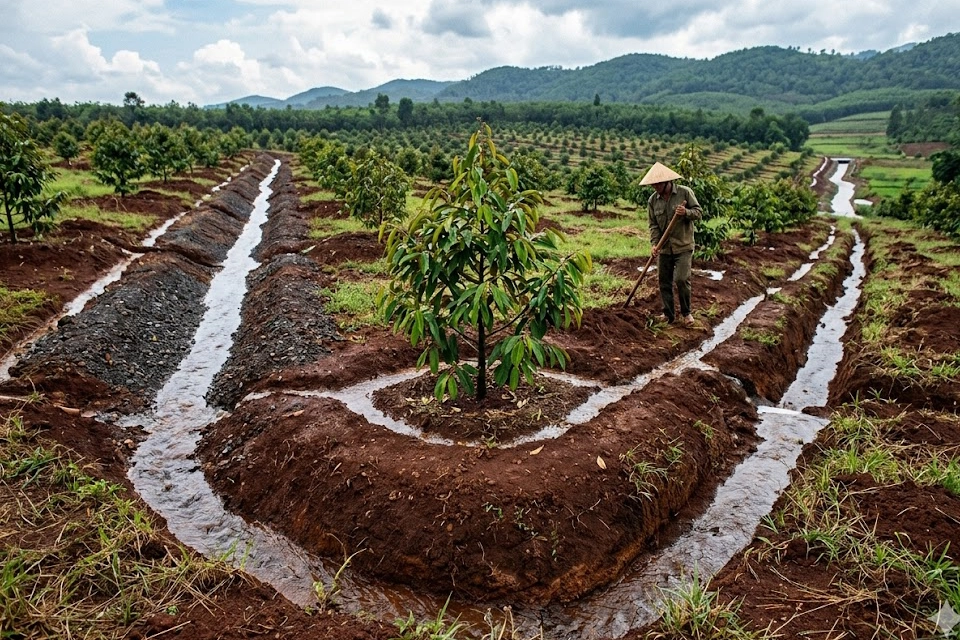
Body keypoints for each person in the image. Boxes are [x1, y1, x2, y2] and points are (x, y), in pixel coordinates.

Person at [640, 162, 703, 325]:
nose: (655, 187)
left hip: (683, 245)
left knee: (682, 279)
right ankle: (668, 314)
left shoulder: (684, 193)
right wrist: (655, 244)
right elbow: (653, 224)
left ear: (667, 182)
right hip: (664, 248)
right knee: (663, 280)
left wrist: (686, 212)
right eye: (653, 184)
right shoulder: (653, 201)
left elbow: (699, 213)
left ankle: (686, 313)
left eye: (658, 184)